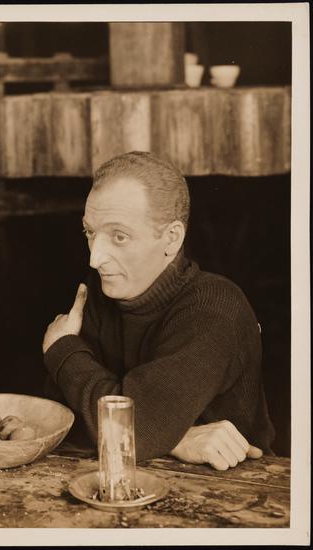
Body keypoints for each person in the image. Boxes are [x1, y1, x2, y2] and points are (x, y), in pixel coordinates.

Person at [42, 151, 275, 471]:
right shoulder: (101, 290)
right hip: (128, 477)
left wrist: (63, 349)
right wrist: (177, 440)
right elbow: (67, 417)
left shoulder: (215, 308)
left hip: (232, 484)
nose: (95, 259)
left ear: (172, 239)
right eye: (90, 233)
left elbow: (136, 429)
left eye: (119, 237)